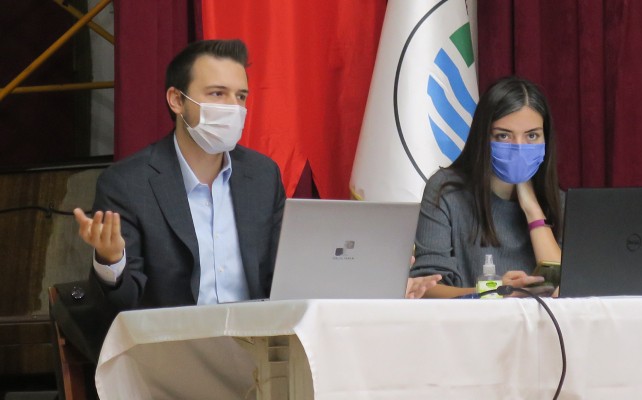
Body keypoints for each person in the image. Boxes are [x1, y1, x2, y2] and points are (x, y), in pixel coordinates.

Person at [73, 39, 438, 314]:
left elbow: (288, 277)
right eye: (217, 94)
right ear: (177, 100)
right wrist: (111, 261)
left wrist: (374, 281)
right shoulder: (128, 183)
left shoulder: (261, 176)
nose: (233, 108)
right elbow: (123, 305)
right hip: (175, 350)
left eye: (241, 96)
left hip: (260, 343)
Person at [409, 76, 563, 298]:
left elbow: (564, 289)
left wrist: (533, 211)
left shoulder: (558, 200)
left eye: (532, 135)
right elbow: (425, 289)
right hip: (469, 320)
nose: (519, 148)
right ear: (483, 136)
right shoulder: (446, 191)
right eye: (504, 135)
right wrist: (496, 292)